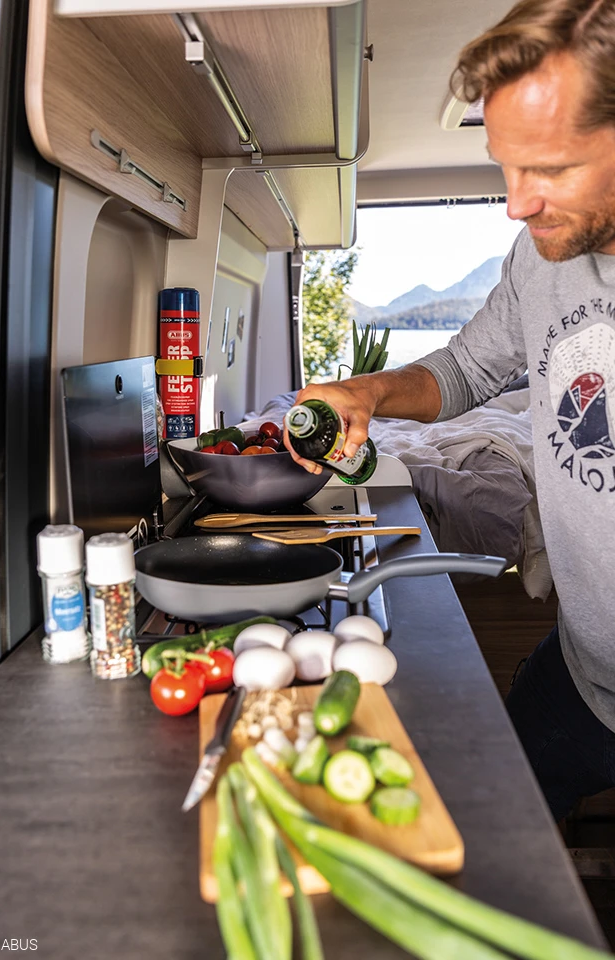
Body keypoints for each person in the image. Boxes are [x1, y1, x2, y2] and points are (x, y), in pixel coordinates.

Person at [284, 0, 615, 823]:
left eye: (549, 168)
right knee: (495, 826)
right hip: (586, 675)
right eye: (505, 166)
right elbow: (466, 367)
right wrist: (367, 393)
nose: (515, 204)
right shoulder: (541, 260)